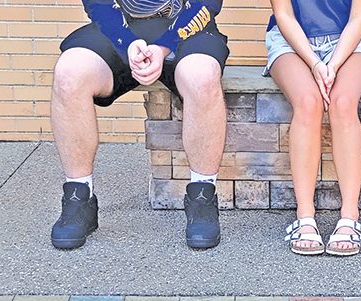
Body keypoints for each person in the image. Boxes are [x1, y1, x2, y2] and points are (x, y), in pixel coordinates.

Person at [50, 0, 229, 250]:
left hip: (187, 28)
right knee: (69, 73)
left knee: (203, 77)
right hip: (118, 27)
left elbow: (205, 3)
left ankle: (202, 194)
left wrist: (165, 46)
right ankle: (79, 195)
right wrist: (127, 41)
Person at [267, 0, 361, 256]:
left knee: (343, 103)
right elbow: (283, 15)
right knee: (308, 103)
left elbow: (359, 18)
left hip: (350, 39)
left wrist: (334, 64)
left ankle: (350, 215)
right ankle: (304, 216)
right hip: (291, 40)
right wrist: (316, 64)